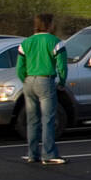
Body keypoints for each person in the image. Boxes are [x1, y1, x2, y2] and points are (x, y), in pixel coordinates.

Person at [16, 13, 68, 166]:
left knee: (32, 119)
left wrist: (25, 79)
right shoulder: (56, 42)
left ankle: (32, 153)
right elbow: (62, 66)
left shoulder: (26, 42)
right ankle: (49, 154)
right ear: (50, 25)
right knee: (48, 119)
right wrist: (62, 82)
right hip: (45, 80)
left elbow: (20, 67)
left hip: (29, 81)